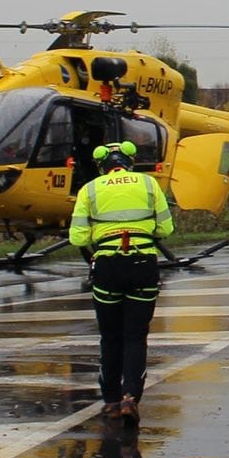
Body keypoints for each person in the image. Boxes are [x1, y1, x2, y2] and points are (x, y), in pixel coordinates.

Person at [69, 141, 174, 426]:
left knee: (110, 336)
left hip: (108, 266)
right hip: (143, 264)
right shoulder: (149, 184)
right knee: (136, 336)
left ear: (102, 165)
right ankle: (131, 397)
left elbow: (77, 237)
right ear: (130, 162)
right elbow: (166, 228)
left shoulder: (90, 189)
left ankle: (112, 401)